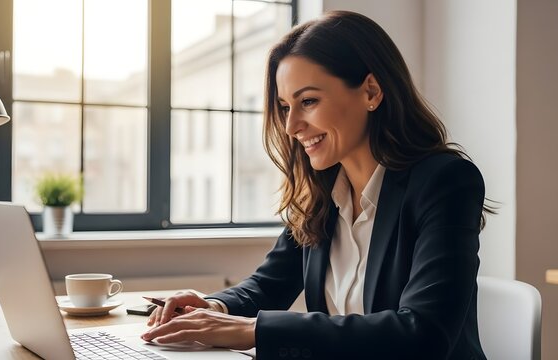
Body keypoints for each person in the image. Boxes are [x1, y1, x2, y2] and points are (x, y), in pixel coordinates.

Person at [141, 10, 490, 359]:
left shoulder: (445, 182)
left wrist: (253, 330)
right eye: (284, 106)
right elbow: (269, 284)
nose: (292, 126)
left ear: (371, 91)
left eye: (308, 101)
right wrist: (214, 306)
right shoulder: (322, 193)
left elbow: (423, 334)